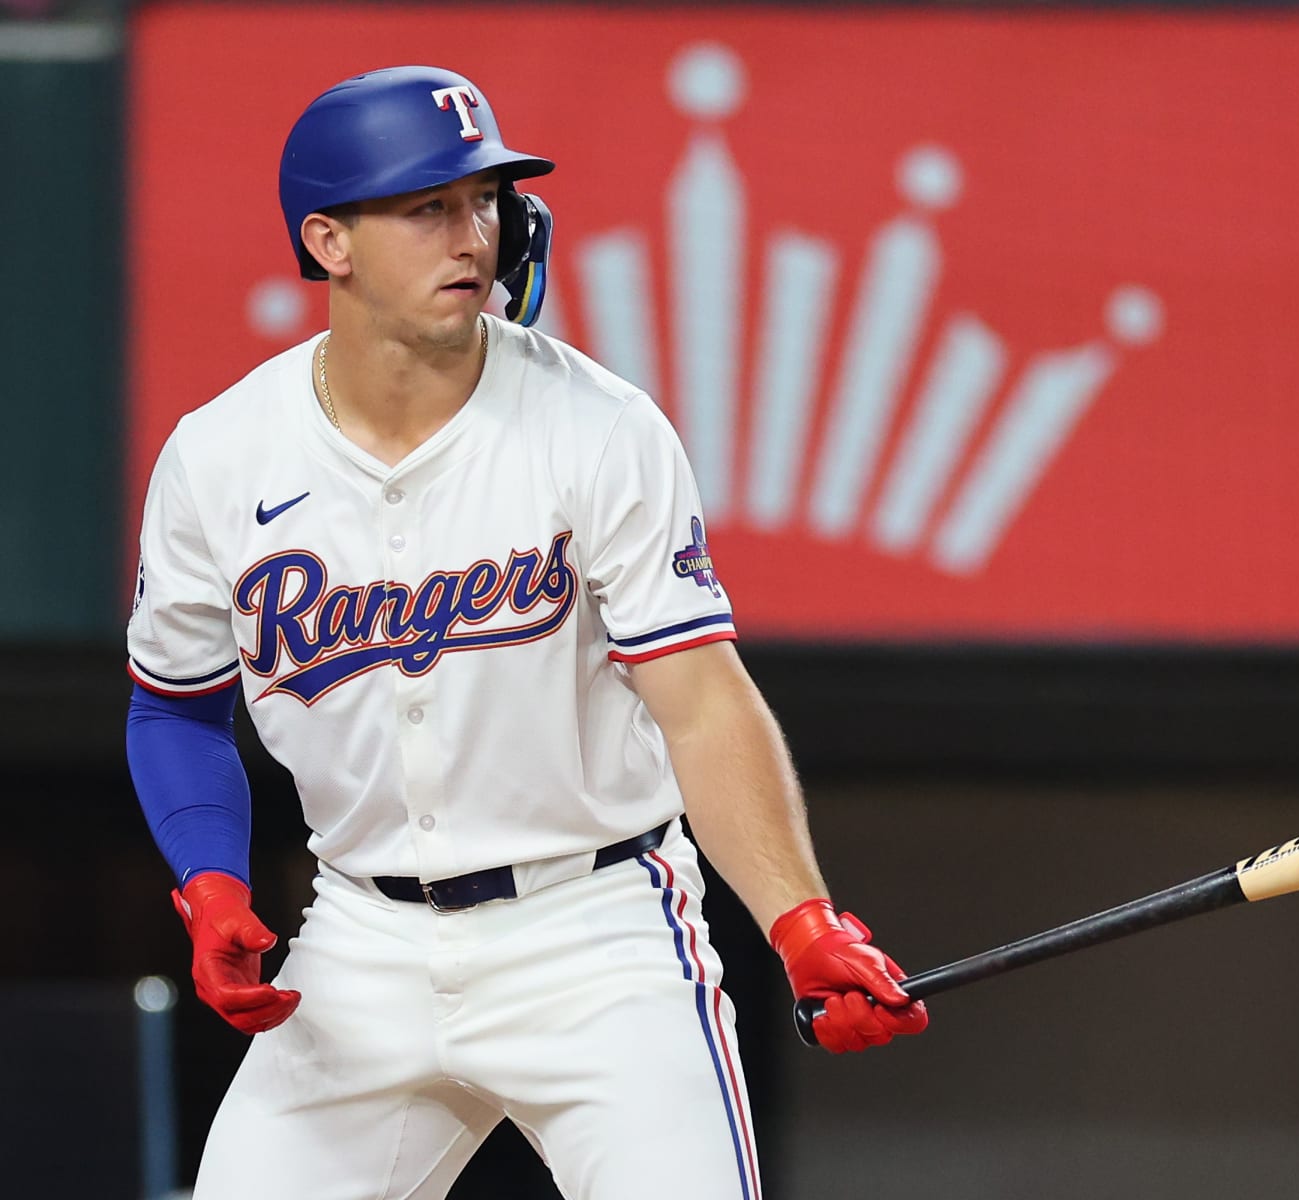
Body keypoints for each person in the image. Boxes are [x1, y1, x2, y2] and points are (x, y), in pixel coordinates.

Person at [125, 64, 927, 1200]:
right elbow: (175, 703)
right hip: (360, 943)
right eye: (429, 208)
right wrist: (209, 882)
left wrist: (802, 919)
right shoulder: (221, 454)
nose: (474, 234)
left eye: (485, 201)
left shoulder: (597, 428)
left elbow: (700, 700)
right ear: (330, 243)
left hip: (594, 935)